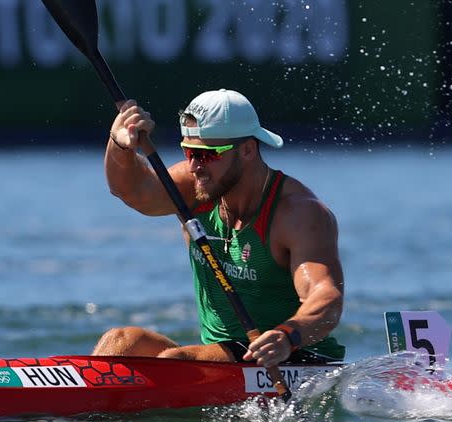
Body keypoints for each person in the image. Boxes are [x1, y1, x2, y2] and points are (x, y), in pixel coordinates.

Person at [93, 88, 345, 368]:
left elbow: (326, 297)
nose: (194, 166)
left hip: (293, 356)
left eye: (207, 154)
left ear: (248, 149)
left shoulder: (298, 213)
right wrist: (120, 144)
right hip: (221, 355)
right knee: (120, 342)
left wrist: (287, 336)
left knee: (174, 362)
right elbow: (133, 190)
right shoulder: (194, 187)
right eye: (188, 151)